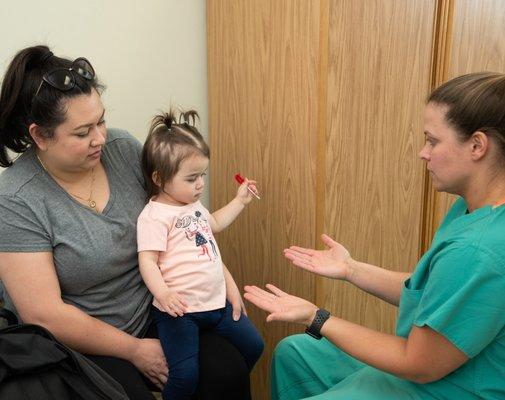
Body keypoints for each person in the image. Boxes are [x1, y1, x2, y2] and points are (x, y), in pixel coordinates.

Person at [0, 45, 255, 400]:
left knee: (227, 370)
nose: (100, 138)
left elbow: (181, 219)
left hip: (161, 308)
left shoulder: (121, 148)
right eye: (82, 132)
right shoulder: (16, 199)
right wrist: (135, 350)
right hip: (87, 341)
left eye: (101, 120)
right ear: (40, 136)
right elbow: (46, 315)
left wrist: (218, 274)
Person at [244, 72, 505, 400]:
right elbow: (437, 292)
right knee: (295, 353)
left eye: (433, 141)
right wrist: (350, 269)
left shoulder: (479, 249)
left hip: (452, 387)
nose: (423, 153)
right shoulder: (472, 209)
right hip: (438, 369)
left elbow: (417, 363)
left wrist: (316, 317)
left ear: (477, 146)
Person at [137, 110, 264, 399]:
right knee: (185, 377)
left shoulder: (192, 205)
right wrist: (165, 295)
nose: (200, 185)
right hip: (180, 313)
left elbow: (215, 224)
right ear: (159, 178)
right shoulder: (154, 216)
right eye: (192, 178)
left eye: (202, 175)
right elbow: (148, 262)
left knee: (254, 346)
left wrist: (240, 201)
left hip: (216, 304)